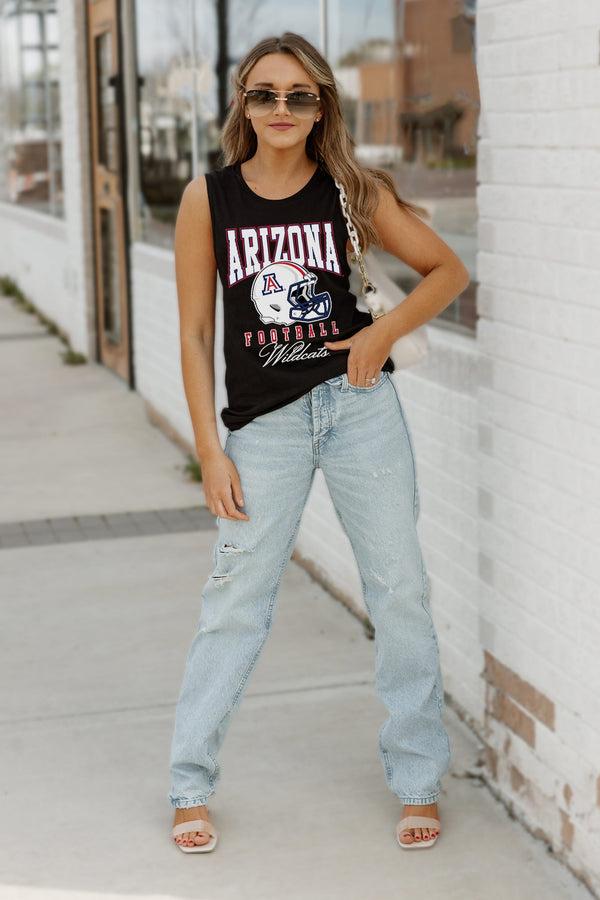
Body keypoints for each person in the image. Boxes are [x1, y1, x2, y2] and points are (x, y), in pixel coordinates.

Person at [168, 31, 469, 853]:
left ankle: (417, 778)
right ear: (243, 104)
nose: (282, 110)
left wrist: (380, 337)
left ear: (321, 105)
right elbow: (196, 333)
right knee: (235, 601)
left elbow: (447, 271)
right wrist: (209, 448)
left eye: (300, 95)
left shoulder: (349, 188)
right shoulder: (212, 200)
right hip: (262, 425)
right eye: (265, 94)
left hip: (359, 407)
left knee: (399, 588)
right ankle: (188, 785)